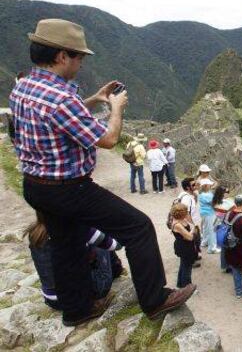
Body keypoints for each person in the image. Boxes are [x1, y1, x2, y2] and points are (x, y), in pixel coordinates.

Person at [10, 19, 195, 326]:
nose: (81, 62)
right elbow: (107, 140)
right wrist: (116, 108)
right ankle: (154, 299)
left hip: (35, 186)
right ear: (61, 56)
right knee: (138, 227)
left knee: (65, 244)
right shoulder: (61, 98)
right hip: (69, 188)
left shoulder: (26, 86)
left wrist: (94, 100)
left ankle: (77, 310)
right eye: (79, 56)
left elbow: (55, 114)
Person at [24, 214, 123, 310]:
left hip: (52, 300)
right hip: (81, 298)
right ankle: (115, 268)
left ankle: (115, 267)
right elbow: (117, 245)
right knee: (99, 232)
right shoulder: (76, 226)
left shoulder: (35, 231)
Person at [170, 203, 197, 288]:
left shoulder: (181, 220)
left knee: (183, 265)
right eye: (186, 211)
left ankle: (180, 284)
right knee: (187, 267)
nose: (187, 213)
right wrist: (193, 229)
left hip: (186, 246)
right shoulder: (178, 225)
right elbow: (189, 237)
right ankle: (187, 287)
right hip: (184, 248)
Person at [198, 179, 220, 254]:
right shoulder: (206, 195)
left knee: (206, 228)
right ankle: (212, 248)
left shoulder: (203, 193)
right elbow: (213, 203)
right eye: (209, 185)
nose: (210, 185)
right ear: (206, 186)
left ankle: (205, 241)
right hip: (209, 213)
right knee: (212, 230)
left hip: (205, 213)